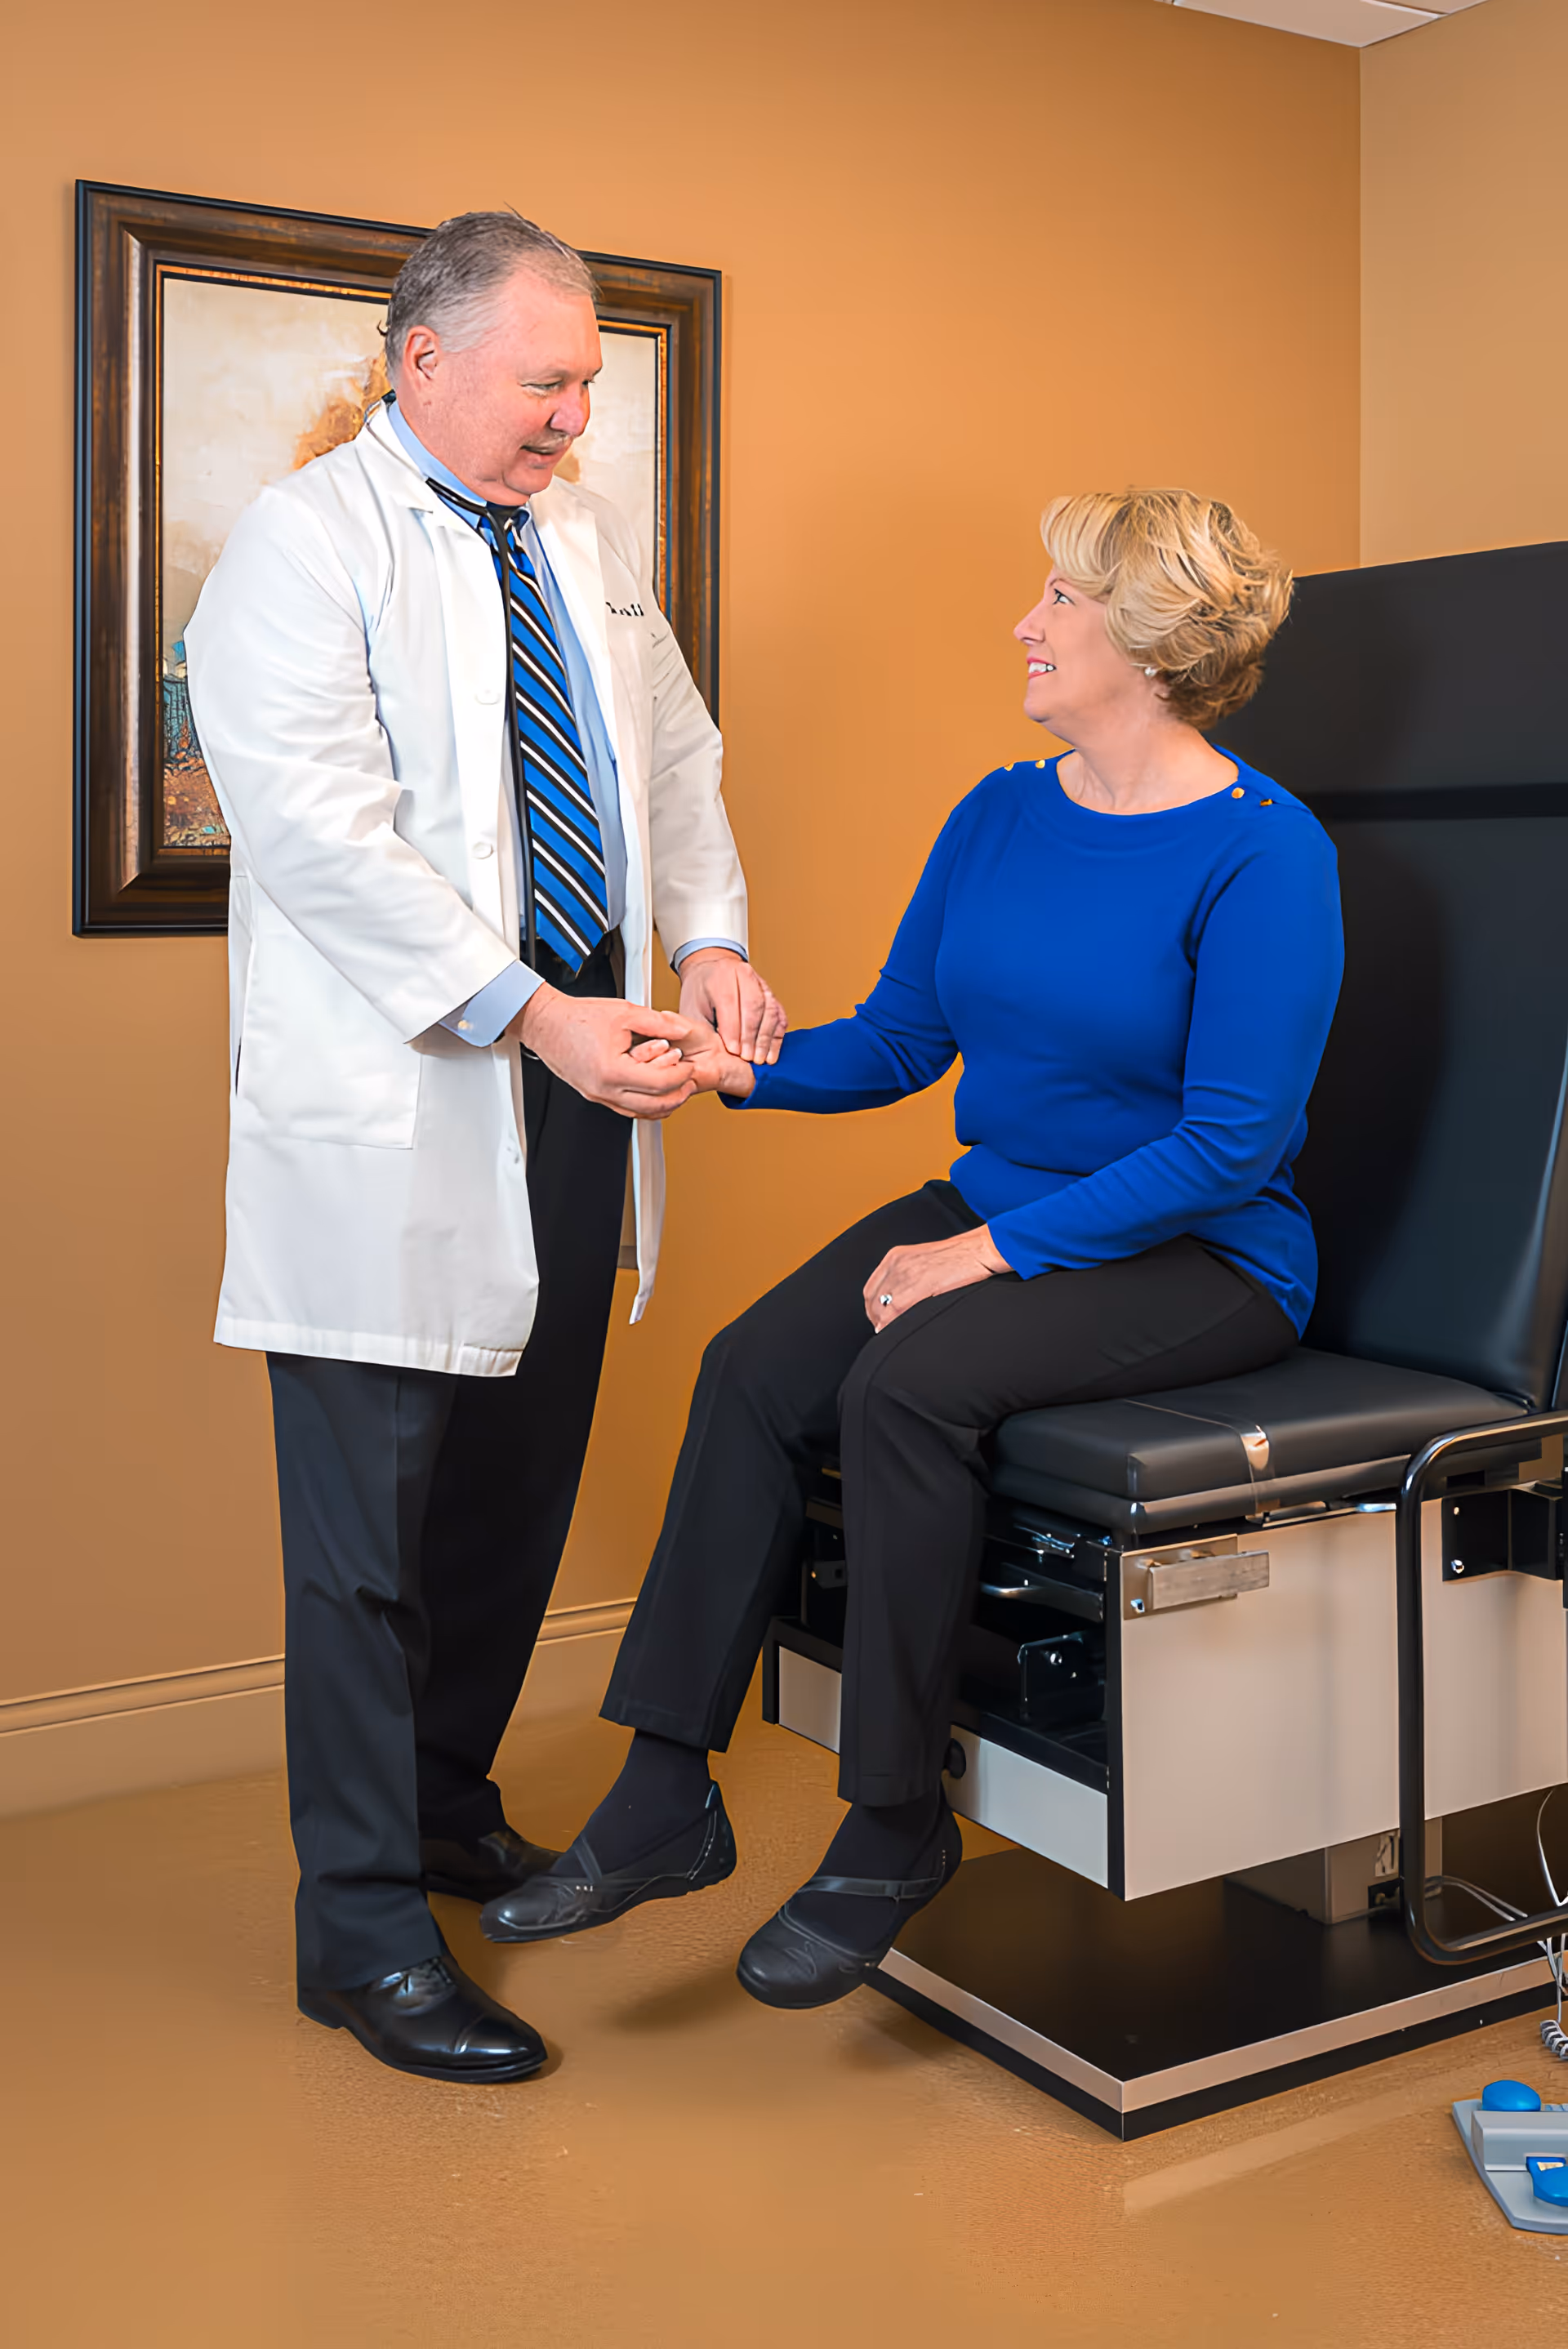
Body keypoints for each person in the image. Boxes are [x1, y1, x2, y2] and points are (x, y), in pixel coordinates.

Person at [481, 487, 1344, 2012]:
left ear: (1147, 645)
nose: (1028, 623)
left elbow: (1232, 1147)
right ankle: (665, 1790)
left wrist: (989, 1251)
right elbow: (899, 1040)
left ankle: (891, 1825)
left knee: (904, 1389)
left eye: (1061, 602)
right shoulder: (1002, 812)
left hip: (1203, 1253)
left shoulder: (1269, 856)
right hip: (1015, 1207)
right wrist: (728, 1061)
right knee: (754, 1368)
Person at [185, 211, 783, 2084]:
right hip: (407, 1100)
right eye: (547, 381)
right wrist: (536, 1009)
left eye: (591, 383)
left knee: (514, 1492)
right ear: (419, 361)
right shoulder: (301, 547)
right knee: (367, 1544)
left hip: (588, 1086)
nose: (574, 417)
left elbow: (670, 760)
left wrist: (709, 936)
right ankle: (359, 1934)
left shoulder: (581, 547)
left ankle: (446, 1805)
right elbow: (319, 834)